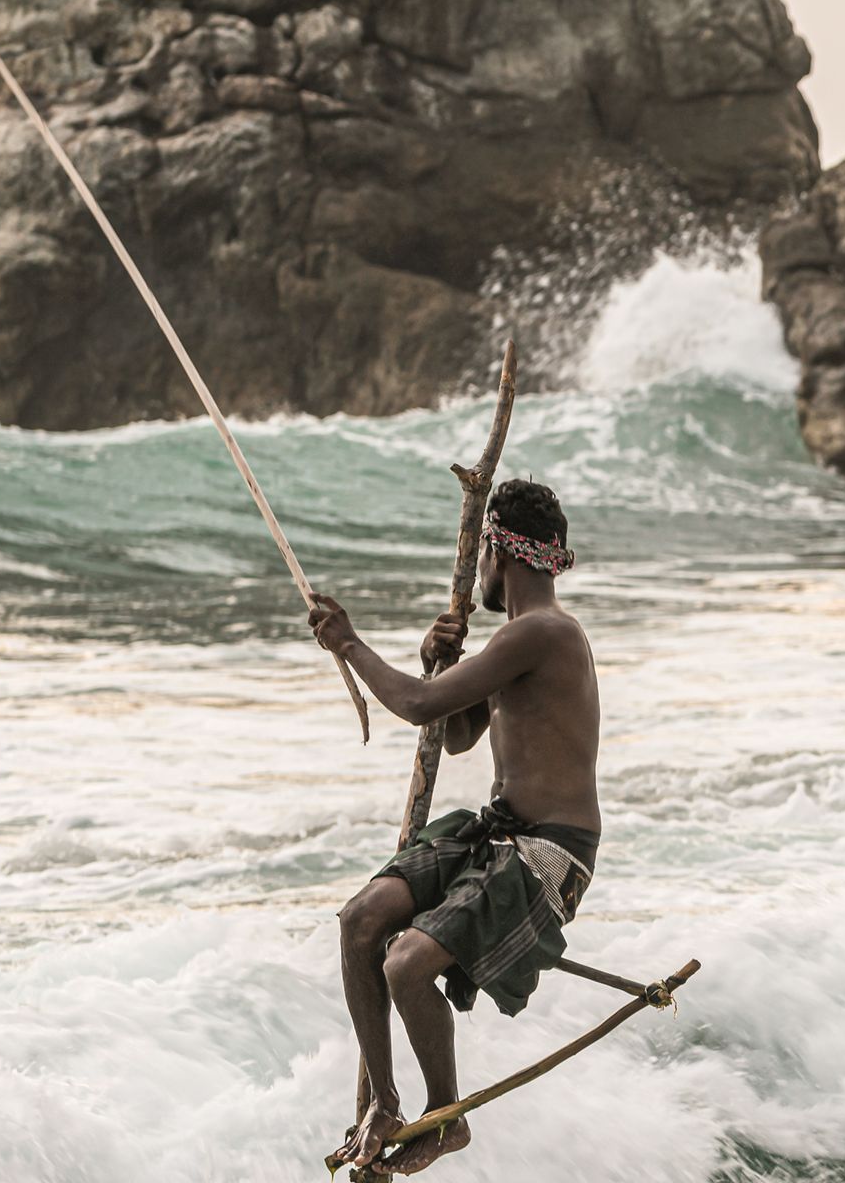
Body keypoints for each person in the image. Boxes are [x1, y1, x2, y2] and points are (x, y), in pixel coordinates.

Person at [307, 479, 601, 1175]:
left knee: (406, 964)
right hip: (496, 832)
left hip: (548, 852)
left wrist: (349, 643)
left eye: (483, 559)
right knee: (361, 922)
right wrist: (438, 662)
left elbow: (414, 707)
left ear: (498, 549)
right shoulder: (517, 639)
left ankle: (448, 1114)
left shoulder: (544, 633)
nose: (478, 575)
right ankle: (383, 1104)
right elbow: (460, 730)